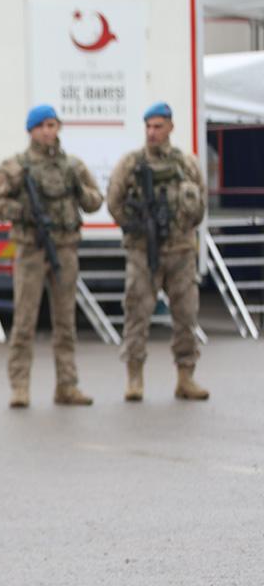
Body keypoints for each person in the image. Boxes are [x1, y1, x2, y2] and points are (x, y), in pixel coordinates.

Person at [0, 104, 103, 408]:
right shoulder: (16, 167)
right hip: (31, 250)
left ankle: (67, 385)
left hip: (64, 249)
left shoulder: (72, 167)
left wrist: (81, 191)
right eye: (41, 126)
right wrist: (19, 211)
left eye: (52, 125)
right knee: (24, 321)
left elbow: (94, 201)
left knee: (65, 322)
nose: (47, 132)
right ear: (31, 131)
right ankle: (20, 386)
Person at [107, 102, 210, 402]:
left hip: (180, 252)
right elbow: (114, 202)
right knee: (137, 313)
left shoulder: (186, 164)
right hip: (143, 252)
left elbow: (200, 202)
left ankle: (185, 377)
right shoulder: (131, 164)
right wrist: (134, 226)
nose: (152, 133)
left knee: (186, 315)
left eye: (158, 126)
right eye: (148, 127)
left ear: (170, 127)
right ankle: (135, 378)